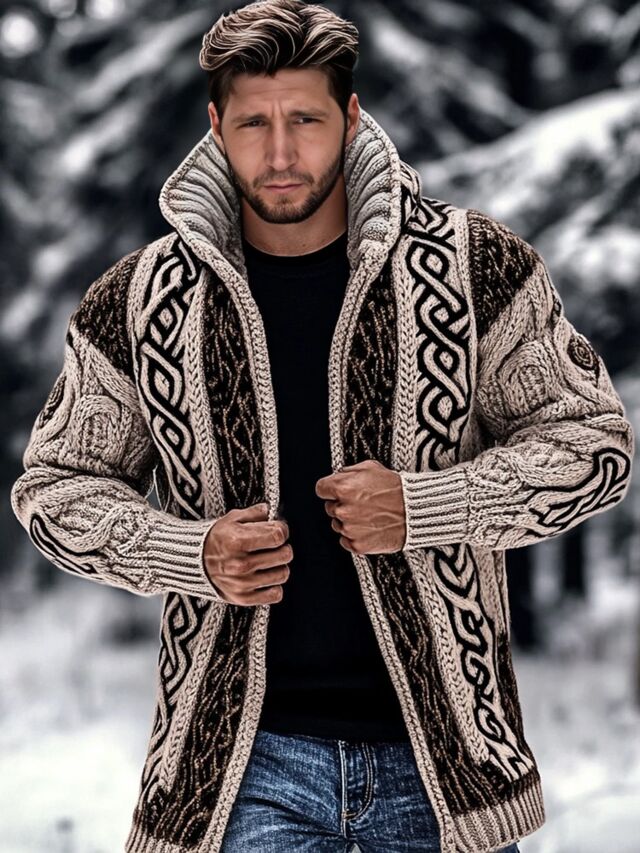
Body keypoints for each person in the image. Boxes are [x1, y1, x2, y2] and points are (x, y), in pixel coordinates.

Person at [10, 1, 634, 851]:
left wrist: (426, 506)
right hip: (241, 773)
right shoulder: (140, 300)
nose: (279, 154)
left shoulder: (474, 268)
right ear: (215, 126)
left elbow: (594, 445)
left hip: (444, 768)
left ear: (349, 115)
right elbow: (54, 488)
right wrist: (187, 552)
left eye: (304, 120)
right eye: (253, 124)